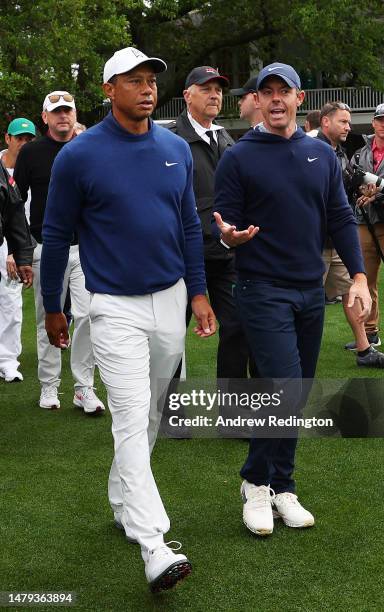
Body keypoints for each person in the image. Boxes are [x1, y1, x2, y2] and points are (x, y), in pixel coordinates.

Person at [40, 47, 215, 592]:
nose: (146, 89)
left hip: (171, 299)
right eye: (133, 81)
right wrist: (52, 305)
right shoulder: (79, 156)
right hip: (111, 305)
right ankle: (154, 545)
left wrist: (200, 293)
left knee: (154, 413)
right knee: (130, 417)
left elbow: (188, 224)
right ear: (108, 90)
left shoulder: (174, 148)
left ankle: (121, 500)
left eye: (150, 81)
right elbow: (56, 236)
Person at [213, 62, 371, 536]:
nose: (277, 99)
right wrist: (230, 239)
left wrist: (360, 276)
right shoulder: (238, 157)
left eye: (286, 91)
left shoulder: (320, 156)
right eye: (268, 92)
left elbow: (341, 218)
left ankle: (282, 485)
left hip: (310, 290)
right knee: (282, 387)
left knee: (293, 393)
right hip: (261, 289)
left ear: (300, 99)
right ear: (257, 101)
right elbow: (223, 224)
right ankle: (255, 484)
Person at [13, 91, 104, 413]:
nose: (63, 116)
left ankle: (84, 388)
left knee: (88, 316)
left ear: (75, 114)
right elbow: (15, 202)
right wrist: (18, 249)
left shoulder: (88, 149)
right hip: (45, 247)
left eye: (68, 111)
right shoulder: (31, 152)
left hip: (85, 248)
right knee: (46, 318)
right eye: (56, 112)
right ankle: (49, 386)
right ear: (45, 117)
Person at [168, 66, 253, 381]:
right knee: (170, 339)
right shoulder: (170, 140)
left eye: (218, 89)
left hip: (225, 255)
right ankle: (169, 413)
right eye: (206, 88)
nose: (215, 94)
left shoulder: (225, 138)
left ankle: (234, 412)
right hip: (182, 257)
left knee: (238, 329)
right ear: (188, 95)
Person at [317, 102, 384, 367]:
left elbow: (340, 193)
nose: (349, 127)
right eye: (343, 122)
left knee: (353, 290)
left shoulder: (340, 152)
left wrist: (359, 190)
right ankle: (294, 351)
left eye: (349, 122)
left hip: (338, 237)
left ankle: (365, 350)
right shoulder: (309, 150)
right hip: (315, 239)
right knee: (306, 298)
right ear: (326, 122)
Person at [347, 103, 384, 351]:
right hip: (363, 221)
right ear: (373, 122)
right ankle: (370, 333)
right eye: (380, 120)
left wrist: (377, 195)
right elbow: (351, 181)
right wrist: (360, 192)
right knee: (365, 281)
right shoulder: (360, 152)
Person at [0, 117, 36, 382]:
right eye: (19, 138)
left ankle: (8, 360)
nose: (23, 144)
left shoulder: (34, 168)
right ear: (7, 139)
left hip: (17, 243)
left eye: (28, 139)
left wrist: (15, 251)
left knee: (10, 301)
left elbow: (19, 217)